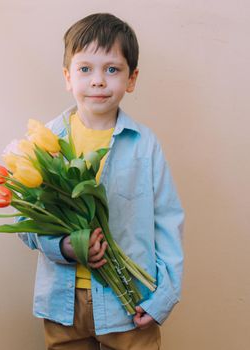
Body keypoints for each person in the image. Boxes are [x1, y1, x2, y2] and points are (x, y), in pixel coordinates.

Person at [17, 13, 184, 350]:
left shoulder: (145, 144)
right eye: (85, 69)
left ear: (131, 78)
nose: (98, 81)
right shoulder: (46, 140)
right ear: (67, 77)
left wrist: (163, 297)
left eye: (112, 69)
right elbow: (25, 221)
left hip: (131, 301)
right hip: (63, 305)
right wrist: (64, 246)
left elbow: (168, 221)